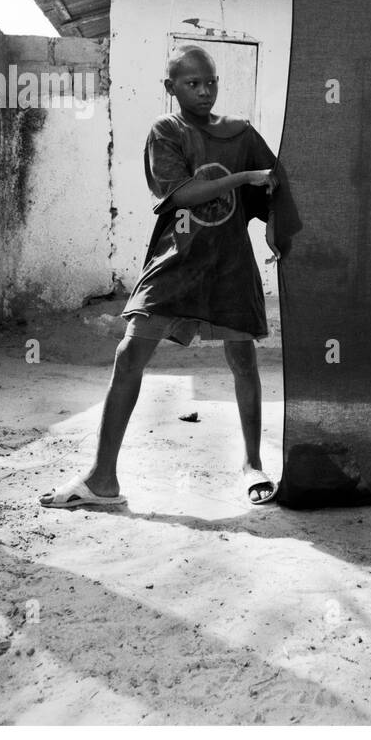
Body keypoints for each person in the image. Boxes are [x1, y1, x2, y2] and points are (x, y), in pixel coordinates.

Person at [40, 44, 299, 510]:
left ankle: (252, 464)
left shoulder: (241, 134)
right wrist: (242, 179)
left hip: (230, 265)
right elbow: (184, 195)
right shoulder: (167, 132)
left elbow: (278, 185)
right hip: (176, 259)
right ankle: (103, 478)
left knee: (243, 362)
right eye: (192, 83)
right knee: (130, 352)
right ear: (170, 88)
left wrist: (278, 230)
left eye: (211, 81)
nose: (204, 91)